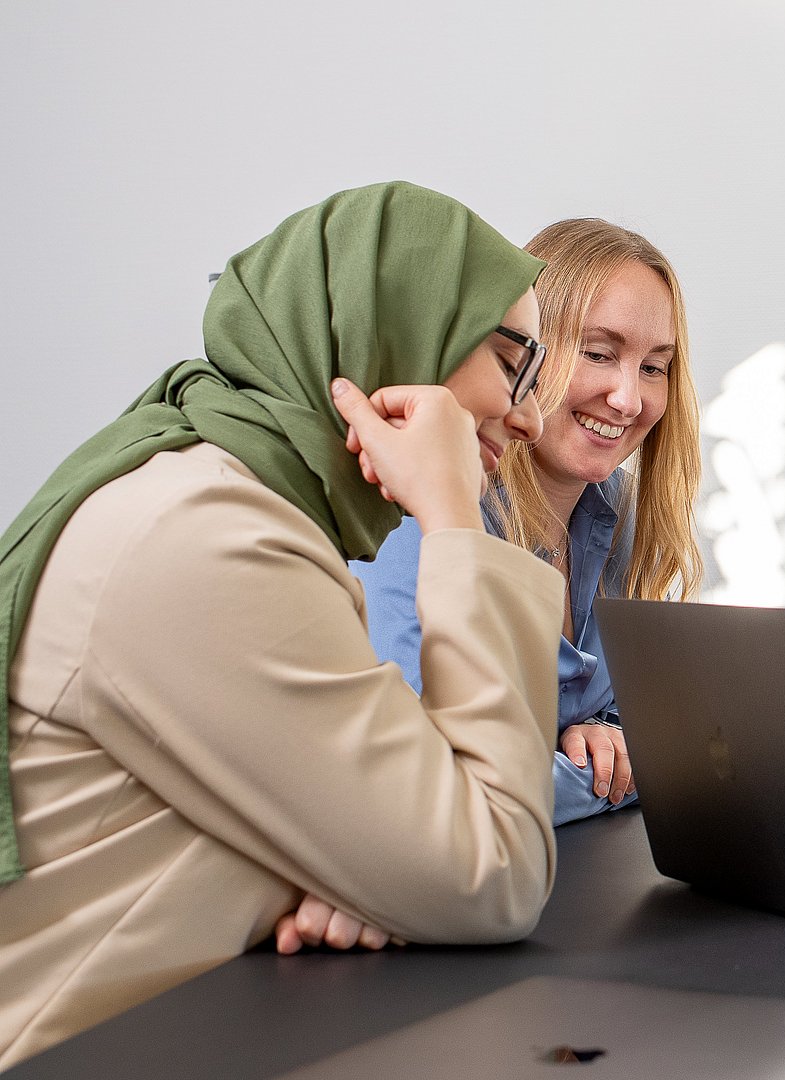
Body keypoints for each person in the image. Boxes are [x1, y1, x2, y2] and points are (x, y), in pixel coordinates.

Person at [0, 182, 566, 1068]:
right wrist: (455, 518)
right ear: (394, 327)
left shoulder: (235, 504)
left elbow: (431, 837)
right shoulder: (209, 538)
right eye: (512, 362)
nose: (530, 416)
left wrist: (370, 873)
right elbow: (495, 868)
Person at [354, 218, 703, 825]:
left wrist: (606, 736)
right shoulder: (418, 514)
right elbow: (434, 789)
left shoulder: (621, 513)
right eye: (598, 354)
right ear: (525, 351)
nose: (628, 399)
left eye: (654, 367)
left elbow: (644, 720)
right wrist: (626, 775)